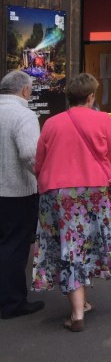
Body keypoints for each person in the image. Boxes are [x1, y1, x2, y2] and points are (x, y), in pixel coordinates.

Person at [31, 72, 111, 332]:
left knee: (68, 246)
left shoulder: (51, 123)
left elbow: (39, 162)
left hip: (57, 192)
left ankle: (78, 310)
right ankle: (79, 311)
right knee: (86, 244)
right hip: (93, 190)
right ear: (91, 96)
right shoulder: (103, 119)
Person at [0, 70, 45, 320]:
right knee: (14, 248)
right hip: (16, 193)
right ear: (25, 91)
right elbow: (30, 154)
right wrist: (43, 177)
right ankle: (12, 303)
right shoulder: (24, 115)